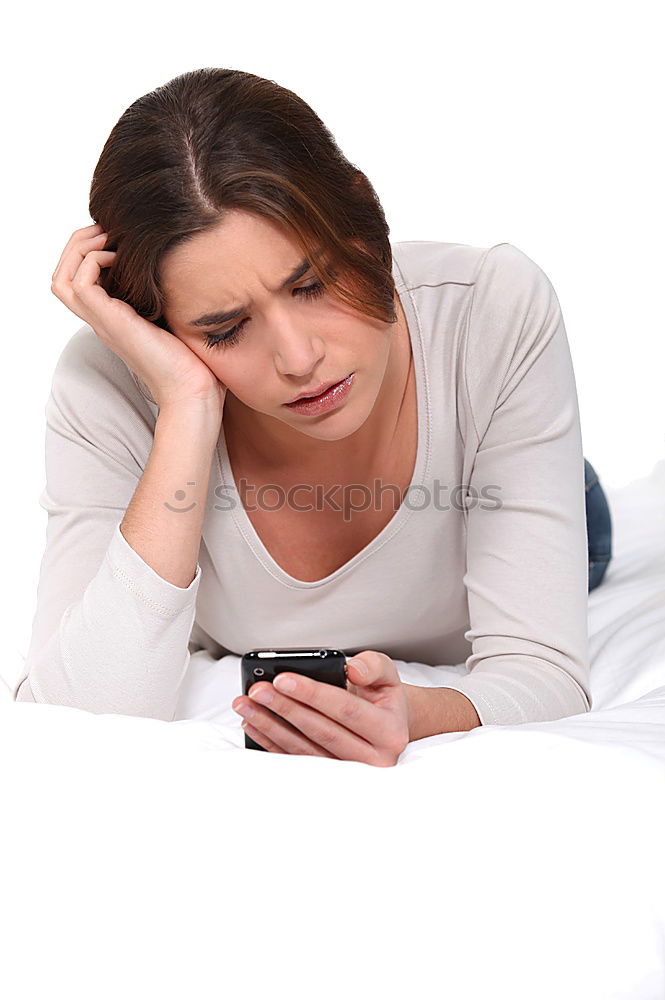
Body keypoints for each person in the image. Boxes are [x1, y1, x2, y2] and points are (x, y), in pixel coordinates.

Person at [13, 67, 612, 765]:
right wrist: (187, 405)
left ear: (363, 214)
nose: (299, 359)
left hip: (519, 475)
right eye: (223, 330)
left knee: (574, 504)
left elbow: (544, 670)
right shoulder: (108, 384)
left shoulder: (492, 306)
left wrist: (417, 714)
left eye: (311, 283)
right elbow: (81, 715)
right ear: (164, 331)